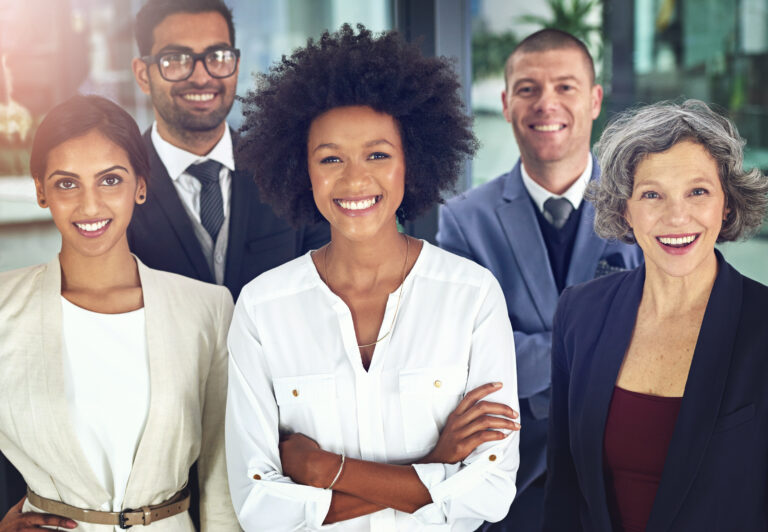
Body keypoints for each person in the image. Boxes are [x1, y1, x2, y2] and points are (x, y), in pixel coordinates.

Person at [226, 25, 521, 531]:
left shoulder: (471, 297)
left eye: (378, 155)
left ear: (413, 161)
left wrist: (325, 471)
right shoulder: (262, 308)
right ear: (305, 170)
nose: (355, 179)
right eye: (331, 158)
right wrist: (434, 464)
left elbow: (489, 493)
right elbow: (259, 508)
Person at [0, 94, 240, 531]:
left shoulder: (207, 309)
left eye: (110, 180)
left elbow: (220, 477)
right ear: (40, 190)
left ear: (140, 185)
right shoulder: (3, 307)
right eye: (67, 183)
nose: (90, 206)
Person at [436, 28, 643, 531]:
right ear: (506, 104)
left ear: (594, 100)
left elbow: (661, 343)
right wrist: (600, 351)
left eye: (565, 87)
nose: (546, 103)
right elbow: (469, 363)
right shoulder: (464, 221)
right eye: (528, 89)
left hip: (624, 481)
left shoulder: (645, 209)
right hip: (507, 490)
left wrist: (530, 356)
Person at [543, 99, 768, 531]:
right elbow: (565, 492)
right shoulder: (580, 312)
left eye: (697, 191)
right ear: (624, 208)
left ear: (726, 203)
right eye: (651, 194)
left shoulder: (762, 326)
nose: (676, 216)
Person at [128, 0, 329, 301]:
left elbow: (327, 294)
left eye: (217, 56)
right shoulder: (117, 185)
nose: (201, 76)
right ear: (144, 74)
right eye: (176, 59)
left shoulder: (289, 173)